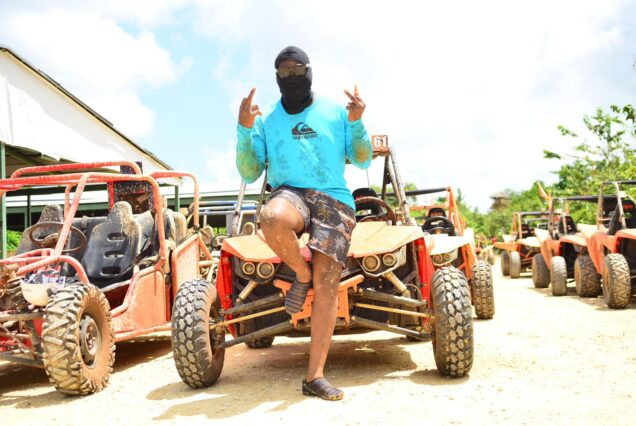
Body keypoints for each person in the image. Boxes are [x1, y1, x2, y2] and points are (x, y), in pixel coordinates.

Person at [235, 46, 372, 401]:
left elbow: (362, 160)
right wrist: (244, 130)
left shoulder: (335, 111)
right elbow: (250, 172)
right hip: (289, 192)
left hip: (333, 197)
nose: (291, 76)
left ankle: (315, 377)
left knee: (328, 283)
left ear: (309, 71)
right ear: (276, 76)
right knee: (271, 217)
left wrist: (356, 122)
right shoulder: (267, 119)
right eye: (284, 71)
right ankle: (301, 272)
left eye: (297, 69)